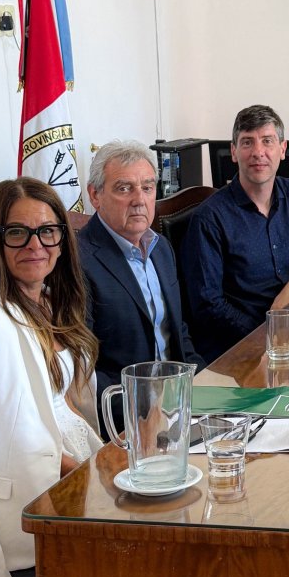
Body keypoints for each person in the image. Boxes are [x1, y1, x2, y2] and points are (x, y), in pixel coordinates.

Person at [0, 179, 188, 577]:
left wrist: (118, 453)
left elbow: (61, 409)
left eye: (48, 231)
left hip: (73, 482)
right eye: (17, 233)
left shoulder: (47, 302)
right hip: (21, 515)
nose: (36, 245)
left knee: (189, 515)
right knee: (174, 556)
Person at [181, 105, 289, 363]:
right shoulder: (209, 218)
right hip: (238, 352)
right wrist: (269, 334)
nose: (258, 152)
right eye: (247, 142)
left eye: (267, 141)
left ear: (282, 149)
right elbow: (208, 306)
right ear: (234, 152)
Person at [79, 140, 205, 438]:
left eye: (147, 188)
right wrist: (143, 414)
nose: (139, 200)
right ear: (95, 195)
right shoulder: (78, 261)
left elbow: (178, 333)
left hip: (182, 405)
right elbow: (82, 371)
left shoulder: (161, 248)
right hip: (127, 423)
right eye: (124, 189)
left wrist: (206, 383)